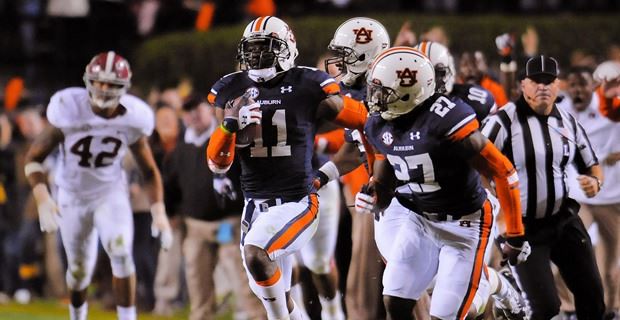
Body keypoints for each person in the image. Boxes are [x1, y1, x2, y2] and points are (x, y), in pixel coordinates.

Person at [206, 16, 367, 320]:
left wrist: (340, 168)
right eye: (250, 50)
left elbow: (364, 124)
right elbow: (218, 162)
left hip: (297, 199)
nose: (256, 56)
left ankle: (325, 314)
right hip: (254, 204)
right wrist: (229, 126)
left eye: (265, 48)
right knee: (269, 285)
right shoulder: (230, 88)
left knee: (264, 255)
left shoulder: (308, 84)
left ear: (286, 48)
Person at [357, 46, 529, 320]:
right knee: (395, 302)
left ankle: (500, 288)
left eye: (383, 91)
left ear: (407, 93)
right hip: (421, 218)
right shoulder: (378, 123)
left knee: (446, 315)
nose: (375, 98)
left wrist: (516, 235)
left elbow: (503, 170)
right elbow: (384, 175)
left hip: (466, 224)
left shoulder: (444, 120)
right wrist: (374, 192)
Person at [23, 51, 173, 320]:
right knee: (79, 272)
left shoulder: (134, 117)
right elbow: (33, 159)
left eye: (111, 84)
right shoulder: (68, 107)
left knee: (121, 252)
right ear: (88, 81)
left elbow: (149, 170)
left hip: (110, 193)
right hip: (71, 195)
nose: (103, 89)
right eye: (99, 82)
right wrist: (42, 196)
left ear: (124, 88)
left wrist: (159, 212)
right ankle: (77, 316)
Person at [481, 55, 605, 319]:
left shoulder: (567, 121)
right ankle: (508, 299)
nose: (543, 87)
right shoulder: (502, 122)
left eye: (548, 81)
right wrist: (495, 206)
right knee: (545, 308)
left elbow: (591, 165)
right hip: (522, 229)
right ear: (522, 85)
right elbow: (475, 164)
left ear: (558, 85)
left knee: (593, 298)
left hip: (563, 220)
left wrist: (595, 182)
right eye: (536, 81)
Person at [163, 95, 264, 320]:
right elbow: (169, 185)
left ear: (209, 110)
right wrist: (170, 213)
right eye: (188, 111)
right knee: (198, 285)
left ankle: (256, 316)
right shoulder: (180, 150)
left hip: (229, 222)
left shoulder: (230, 138)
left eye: (197, 108)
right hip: (197, 226)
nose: (194, 115)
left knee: (243, 278)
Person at [323, 16, 390, 320]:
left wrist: (378, 184)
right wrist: (321, 177)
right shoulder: (354, 92)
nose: (339, 63)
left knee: (407, 285)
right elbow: (355, 147)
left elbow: (397, 150)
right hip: (380, 194)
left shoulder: (389, 90)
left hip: (408, 198)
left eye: (347, 55)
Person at [557, 67, 620, 319]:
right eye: (573, 85)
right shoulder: (561, 108)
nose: (578, 90)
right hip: (579, 197)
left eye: (582, 84)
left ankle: (612, 310)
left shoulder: (610, 108)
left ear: (592, 86)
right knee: (566, 250)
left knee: (611, 265)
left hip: (612, 197)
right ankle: (569, 307)